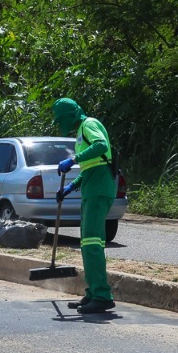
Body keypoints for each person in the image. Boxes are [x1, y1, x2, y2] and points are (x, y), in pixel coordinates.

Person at [50, 97, 119, 313]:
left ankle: (102, 295)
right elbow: (90, 167)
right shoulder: (80, 132)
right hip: (91, 187)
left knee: (91, 243)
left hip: (99, 188)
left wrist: (73, 160)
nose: (62, 124)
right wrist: (70, 187)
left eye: (61, 119)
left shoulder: (89, 124)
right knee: (88, 243)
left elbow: (101, 146)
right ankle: (93, 293)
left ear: (70, 115)